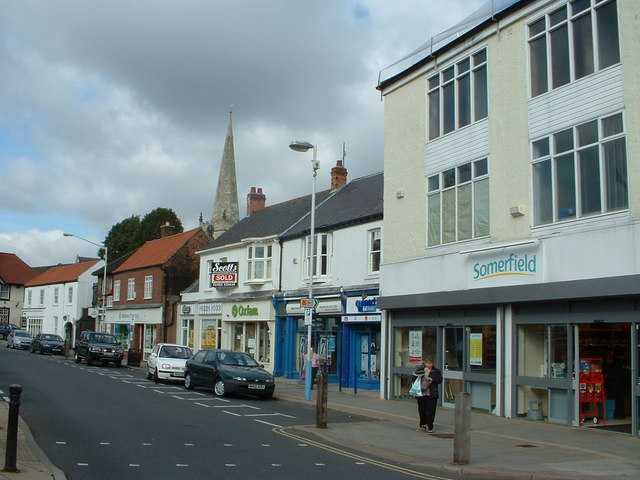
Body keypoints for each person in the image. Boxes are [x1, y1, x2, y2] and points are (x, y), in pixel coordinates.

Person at [413, 356, 442, 433]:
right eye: (427, 363)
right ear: (425, 363)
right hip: (421, 394)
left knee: (431, 411)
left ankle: (430, 426)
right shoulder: (421, 370)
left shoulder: (436, 371)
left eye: (430, 363)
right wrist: (418, 375)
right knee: (422, 410)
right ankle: (423, 423)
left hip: (431, 394)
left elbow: (439, 380)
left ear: (433, 363)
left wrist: (432, 380)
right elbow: (413, 378)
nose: (428, 365)